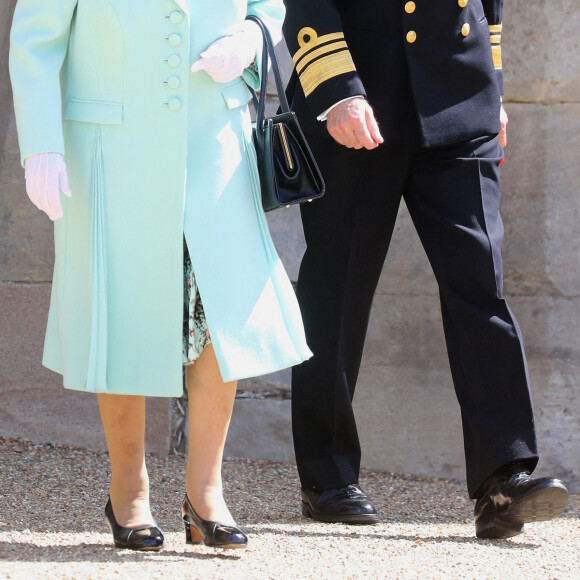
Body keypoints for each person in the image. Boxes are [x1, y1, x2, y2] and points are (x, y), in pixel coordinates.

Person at [10, 0, 311, 551]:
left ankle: (206, 494)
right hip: (111, 148)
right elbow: (34, 40)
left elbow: (269, 5)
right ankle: (128, 488)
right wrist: (41, 144)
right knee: (122, 310)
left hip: (216, 143)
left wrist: (251, 33)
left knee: (218, 310)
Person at [282, 0, 569, 539]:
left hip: (459, 89)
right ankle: (328, 476)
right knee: (338, 289)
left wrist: (493, 84)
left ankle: (503, 480)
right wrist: (335, 88)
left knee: (480, 280)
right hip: (360, 97)